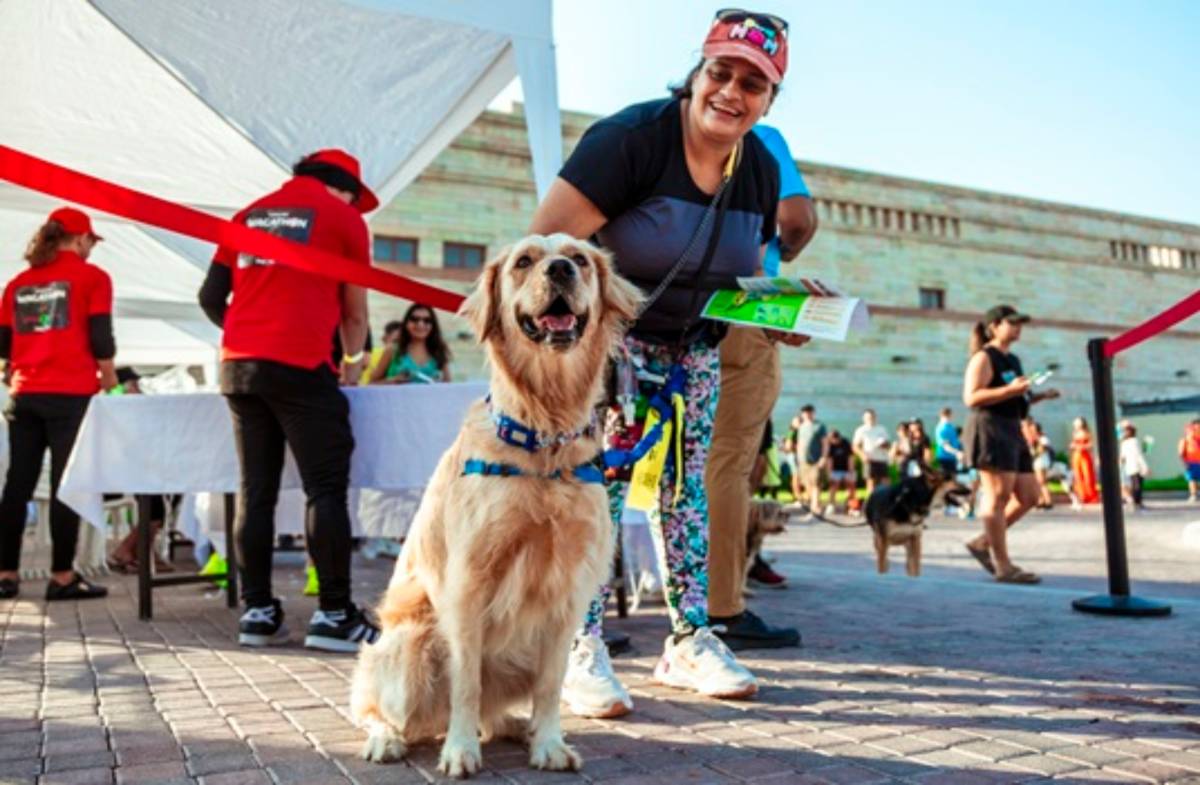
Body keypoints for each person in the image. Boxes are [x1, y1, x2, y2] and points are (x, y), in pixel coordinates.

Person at [529, 8, 792, 714]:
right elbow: (544, 252)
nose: (732, 92)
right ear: (696, 73)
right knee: (597, 492)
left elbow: (738, 275)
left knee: (685, 495)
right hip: (609, 349)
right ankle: (575, 646)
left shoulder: (760, 168)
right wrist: (591, 347)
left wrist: (786, 307)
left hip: (694, 354)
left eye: (754, 83)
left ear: (770, 98)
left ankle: (688, 639)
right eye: (721, 72)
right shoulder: (630, 140)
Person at [197, 148, 379, 652]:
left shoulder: (247, 214)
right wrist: (351, 358)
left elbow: (210, 298)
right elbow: (355, 314)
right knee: (324, 488)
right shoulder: (343, 219)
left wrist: (249, 328)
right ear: (343, 188)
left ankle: (257, 614)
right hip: (301, 364)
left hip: (239, 365)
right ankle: (335, 616)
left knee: (256, 490)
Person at [704, 120, 815, 651]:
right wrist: (784, 256)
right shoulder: (761, 137)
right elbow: (796, 219)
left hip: (669, 309)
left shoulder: (664, 135)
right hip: (743, 306)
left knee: (663, 463)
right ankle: (720, 607)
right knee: (727, 463)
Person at [0, 207, 116, 601]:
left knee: (18, 484)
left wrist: (12, 371)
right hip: (70, 393)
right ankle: (63, 576)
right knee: (65, 484)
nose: (91, 250)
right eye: (90, 243)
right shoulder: (92, 278)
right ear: (81, 238)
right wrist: (109, 374)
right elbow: (100, 335)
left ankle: (6, 573)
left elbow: (3, 344)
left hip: (24, 393)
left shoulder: (19, 283)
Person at [961, 305, 1060, 584]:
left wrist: (1038, 396)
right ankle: (1003, 565)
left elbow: (1015, 398)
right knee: (998, 496)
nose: (1017, 328)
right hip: (990, 428)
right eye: (1012, 323)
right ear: (994, 326)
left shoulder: (1013, 360)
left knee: (1030, 496)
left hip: (1013, 428)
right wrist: (1010, 390)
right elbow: (971, 397)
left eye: (1020, 324)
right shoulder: (983, 357)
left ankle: (983, 542)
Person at [368, 303, 451, 384]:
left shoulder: (439, 351)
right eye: (414, 319)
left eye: (427, 320)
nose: (420, 324)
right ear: (406, 323)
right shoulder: (393, 350)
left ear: (433, 326)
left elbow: (448, 388)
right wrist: (393, 380)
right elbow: (372, 384)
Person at [793, 405, 828, 516]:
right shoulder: (801, 426)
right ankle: (815, 504)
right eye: (805, 413)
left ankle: (815, 507)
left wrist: (823, 457)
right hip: (803, 461)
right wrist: (798, 458)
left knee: (816, 483)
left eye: (809, 412)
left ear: (813, 413)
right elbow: (799, 443)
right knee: (807, 483)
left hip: (816, 460)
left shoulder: (819, 426)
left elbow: (825, 443)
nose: (807, 414)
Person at [852, 409, 891, 498]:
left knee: (885, 482)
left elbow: (888, 444)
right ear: (864, 418)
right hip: (869, 459)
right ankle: (871, 504)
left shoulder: (882, 429)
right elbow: (855, 446)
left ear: (875, 417)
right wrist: (862, 455)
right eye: (868, 417)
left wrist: (884, 444)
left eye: (872, 417)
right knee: (871, 483)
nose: (871, 419)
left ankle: (885, 502)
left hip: (882, 459)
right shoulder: (861, 430)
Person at [1025, 419, 1055, 509]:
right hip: (1037, 461)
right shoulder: (1034, 439)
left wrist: (1033, 454)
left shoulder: (1043, 438)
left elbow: (1042, 450)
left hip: (1041, 461)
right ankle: (1041, 500)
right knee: (1038, 482)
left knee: (1042, 482)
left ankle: (1048, 501)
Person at [824, 430, 856, 515]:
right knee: (834, 485)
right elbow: (829, 460)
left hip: (846, 468)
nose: (833, 441)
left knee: (850, 486)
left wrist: (851, 471)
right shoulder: (830, 445)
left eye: (834, 439)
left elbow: (850, 457)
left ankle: (851, 507)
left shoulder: (845, 443)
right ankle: (831, 505)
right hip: (835, 469)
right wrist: (829, 473)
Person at [1119, 422, 1149, 510]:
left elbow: (1137, 454)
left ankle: (1137, 502)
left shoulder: (1128, 442)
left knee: (1135, 484)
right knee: (1137, 485)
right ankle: (1137, 502)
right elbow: (1138, 455)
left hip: (1133, 466)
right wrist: (1145, 466)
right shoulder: (1132, 441)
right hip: (1135, 466)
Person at [1071, 417, 1100, 505]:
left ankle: (1091, 496)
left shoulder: (1087, 433)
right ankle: (1082, 496)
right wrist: (1073, 446)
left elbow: (1091, 445)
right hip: (1077, 455)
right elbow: (1072, 444)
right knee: (1078, 476)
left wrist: (1083, 447)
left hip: (1085, 456)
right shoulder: (1074, 434)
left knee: (1088, 476)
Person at [934, 408, 963, 481]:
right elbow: (945, 446)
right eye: (946, 416)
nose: (948, 418)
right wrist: (957, 452)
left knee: (954, 478)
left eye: (949, 416)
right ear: (941, 416)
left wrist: (960, 450)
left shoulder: (950, 426)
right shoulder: (941, 428)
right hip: (944, 457)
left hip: (953, 458)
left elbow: (955, 441)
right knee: (947, 479)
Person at [1178, 419, 1200, 503]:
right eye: (1196, 427)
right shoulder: (1186, 439)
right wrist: (1184, 463)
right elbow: (1181, 452)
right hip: (1191, 462)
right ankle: (1193, 495)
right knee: (1192, 479)